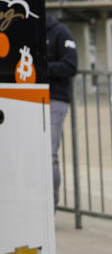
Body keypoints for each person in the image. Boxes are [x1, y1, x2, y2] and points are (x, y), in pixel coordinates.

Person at [46, 14, 77, 209]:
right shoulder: (28, 33)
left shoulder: (60, 32)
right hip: (31, 100)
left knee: (50, 155)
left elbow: (70, 65)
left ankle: (51, 206)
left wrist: (40, 68)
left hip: (55, 99)